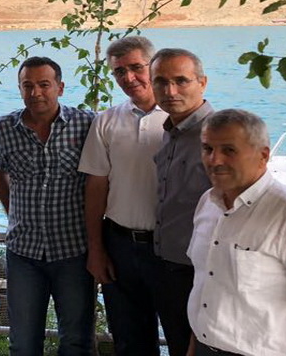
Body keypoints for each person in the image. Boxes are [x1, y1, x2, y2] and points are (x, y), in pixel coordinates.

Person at [187, 109, 286, 356]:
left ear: (263, 155)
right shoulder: (208, 203)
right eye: (208, 149)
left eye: (229, 150)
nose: (215, 160)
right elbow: (204, 284)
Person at [0, 56, 96, 356]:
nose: (36, 92)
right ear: (20, 89)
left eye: (44, 84)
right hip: (24, 252)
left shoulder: (86, 123)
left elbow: (99, 179)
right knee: (23, 342)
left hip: (73, 250)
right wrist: (12, 212)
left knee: (76, 340)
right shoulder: (5, 127)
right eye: (28, 85)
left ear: (60, 88)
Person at [78, 36, 166, 356]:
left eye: (136, 67)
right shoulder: (106, 121)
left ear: (153, 66)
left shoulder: (183, 118)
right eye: (119, 71)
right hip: (120, 246)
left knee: (182, 334)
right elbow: (96, 187)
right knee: (128, 341)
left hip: (169, 248)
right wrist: (96, 249)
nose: (129, 78)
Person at [145, 47, 215, 356]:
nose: (170, 91)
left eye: (181, 81)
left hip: (205, 274)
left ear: (202, 83)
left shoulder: (217, 135)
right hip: (168, 267)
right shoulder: (171, 131)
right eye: (161, 82)